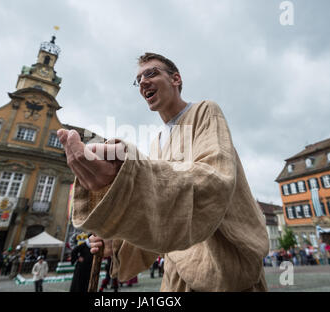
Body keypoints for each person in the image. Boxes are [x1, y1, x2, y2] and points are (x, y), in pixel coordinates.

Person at [58, 52, 269, 291]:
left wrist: (128, 172)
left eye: (151, 73)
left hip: (223, 269)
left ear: (176, 79)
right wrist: (114, 241)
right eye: (138, 79)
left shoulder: (204, 112)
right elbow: (158, 215)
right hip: (176, 275)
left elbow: (214, 181)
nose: (143, 82)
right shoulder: (157, 142)